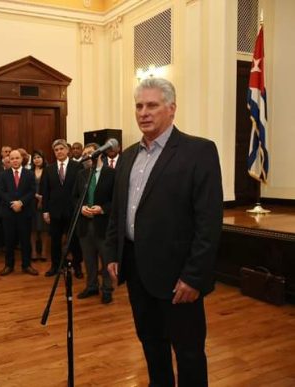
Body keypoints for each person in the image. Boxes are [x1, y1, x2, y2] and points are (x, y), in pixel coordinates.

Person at [105, 78, 223, 386]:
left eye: (152, 105)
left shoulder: (199, 151)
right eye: (139, 106)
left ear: (171, 109)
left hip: (178, 278)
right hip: (135, 269)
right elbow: (119, 211)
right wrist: (112, 254)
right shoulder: (128, 156)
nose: (143, 113)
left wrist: (195, 277)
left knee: (189, 353)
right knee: (151, 345)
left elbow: (208, 222)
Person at [73, 143, 115, 304]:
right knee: (89, 259)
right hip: (85, 224)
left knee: (105, 259)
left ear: (100, 154)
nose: (87, 156)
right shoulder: (82, 174)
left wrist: (102, 209)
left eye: (90, 152)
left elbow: (116, 200)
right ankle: (91, 286)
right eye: (85, 153)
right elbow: (75, 197)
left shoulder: (111, 174)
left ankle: (107, 289)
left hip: (103, 224)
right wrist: (81, 207)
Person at [41, 139, 83, 278]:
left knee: (75, 240)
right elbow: (45, 192)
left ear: (67, 150)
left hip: (73, 211)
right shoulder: (49, 169)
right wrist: (45, 211)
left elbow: (81, 190)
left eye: (61, 149)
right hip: (55, 211)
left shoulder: (77, 167)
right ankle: (55, 266)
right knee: (55, 240)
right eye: (56, 150)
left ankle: (77, 267)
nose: (59, 152)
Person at [0, 150, 38, 276]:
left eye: (17, 158)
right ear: (9, 159)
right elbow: (1, 191)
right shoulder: (3, 175)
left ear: (22, 159)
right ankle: (8, 265)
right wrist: (13, 203)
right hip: (8, 212)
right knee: (9, 240)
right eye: (12, 158)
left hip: (24, 212)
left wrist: (21, 202)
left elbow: (32, 191)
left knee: (25, 241)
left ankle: (26, 265)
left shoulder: (29, 174)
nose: (15, 160)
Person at [30, 150, 48, 261]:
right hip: (31, 201)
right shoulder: (29, 171)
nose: (37, 159)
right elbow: (25, 187)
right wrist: (35, 195)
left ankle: (44, 252)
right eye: (34, 157)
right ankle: (34, 252)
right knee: (33, 228)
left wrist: (43, 197)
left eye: (39, 157)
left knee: (44, 228)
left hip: (45, 202)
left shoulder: (48, 170)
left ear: (43, 158)